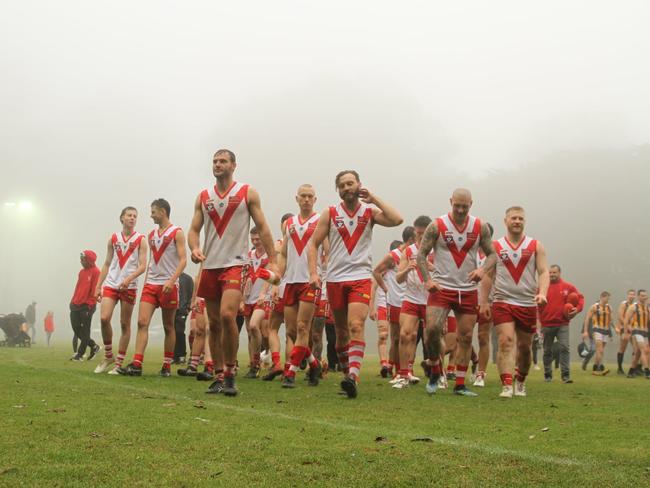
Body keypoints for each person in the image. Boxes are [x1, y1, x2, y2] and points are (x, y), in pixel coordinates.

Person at [188, 149, 278, 396]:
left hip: (235, 264)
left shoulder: (247, 192)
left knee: (228, 316)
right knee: (213, 325)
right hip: (210, 266)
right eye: (214, 161)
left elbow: (263, 227)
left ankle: (230, 373)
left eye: (223, 161)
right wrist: (194, 248)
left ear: (234, 165)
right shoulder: (203, 197)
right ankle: (218, 375)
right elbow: (194, 230)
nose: (217, 164)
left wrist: (273, 260)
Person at [308, 170, 403, 398]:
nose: (347, 188)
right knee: (341, 333)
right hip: (335, 279)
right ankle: (346, 374)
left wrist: (375, 198)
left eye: (351, 183)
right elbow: (313, 244)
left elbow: (397, 219)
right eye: (342, 185)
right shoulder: (330, 213)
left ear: (359, 185)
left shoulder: (369, 212)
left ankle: (353, 377)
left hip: (360, 277)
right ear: (338, 190)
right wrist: (314, 273)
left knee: (355, 326)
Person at [417, 188, 497, 397]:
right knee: (432, 330)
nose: (460, 210)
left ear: (471, 204)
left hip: (468, 289)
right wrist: (427, 280)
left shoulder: (480, 227)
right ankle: (435, 368)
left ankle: (460, 384)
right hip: (442, 287)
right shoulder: (437, 225)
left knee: (466, 336)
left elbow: (492, 255)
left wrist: (482, 270)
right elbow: (421, 254)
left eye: (465, 206)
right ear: (450, 201)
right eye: (457, 205)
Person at [481, 206, 549, 398]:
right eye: (513, 218)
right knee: (505, 340)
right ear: (506, 221)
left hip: (527, 303)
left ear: (524, 221)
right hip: (502, 301)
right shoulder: (495, 246)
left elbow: (544, 272)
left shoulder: (536, 245)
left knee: (525, 348)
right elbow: (488, 275)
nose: (517, 221)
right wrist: (484, 302)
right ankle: (507, 385)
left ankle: (521, 380)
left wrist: (542, 293)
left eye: (520, 218)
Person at [123, 199, 187, 376]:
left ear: (163, 212)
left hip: (169, 285)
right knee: (142, 322)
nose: (151, 216)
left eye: (153, 212)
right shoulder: (151, 235)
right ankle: (137, 363)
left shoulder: (177, 232)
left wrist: (172, 280)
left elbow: (183, 260)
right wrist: (145, 283)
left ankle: (166, 366)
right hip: (151, 284)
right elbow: (151, 262)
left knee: (168, 326)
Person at [93, 206, 147, 374]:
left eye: (135, 216)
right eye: (129, 215)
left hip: (129, 286)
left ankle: (119, 364)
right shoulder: (113, 238)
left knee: (125, 324)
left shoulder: (141, 240)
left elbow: (143, 265)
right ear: (122, 218)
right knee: (104, 318)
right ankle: (108, 356)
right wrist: (98, 286)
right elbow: (107, 263)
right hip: (111, 284)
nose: (132, 218)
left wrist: (129, 279)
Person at [280, 184, 324, 388]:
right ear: (296, 199)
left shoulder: (321, 220)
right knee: (291, 331)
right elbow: (284, 252)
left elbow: (328, 251)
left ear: (315, 200)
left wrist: (323, 275)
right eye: (303, 196)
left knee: (302, 326)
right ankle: (314, 364)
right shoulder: (288, 223)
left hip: (310, 281)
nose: (306, 199)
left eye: (310, 196)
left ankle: (291, 372)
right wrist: (278, 276)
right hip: (290, 281)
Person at [393, 216, 433, 389]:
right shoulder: (408, 251)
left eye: (423, 234)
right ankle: (403, 375)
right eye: (418, 233)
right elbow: (398, 279)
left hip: (431, 299)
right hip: (411, 298)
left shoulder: (437, 251)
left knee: (433, 338)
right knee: (405, 334)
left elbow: (447, 275)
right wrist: (407, 269)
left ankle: (440, 373)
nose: (420, 237)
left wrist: (433, 269)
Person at [372, 229, 413, 378]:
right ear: (409, 240)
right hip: (394, 302)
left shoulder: (414, 254)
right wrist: (385, 289)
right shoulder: (393, 256)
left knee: (410, 336)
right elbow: (376, 272)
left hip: (411, 301)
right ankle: (395, 370)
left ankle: (407, 370)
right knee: (395, 337)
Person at [538, 265, 584, 383]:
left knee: (564, 348)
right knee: (547, 350)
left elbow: (580, 298)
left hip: (562, 323)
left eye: (554, 272)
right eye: (550, 272)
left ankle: (565, 375)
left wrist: (577, 309)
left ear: (560, 273)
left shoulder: (568, 287)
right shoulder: (543, 287)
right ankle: (548, 375)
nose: (552, 274)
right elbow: (535, 302)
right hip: (546, 324)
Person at [242, 227, 272, 378]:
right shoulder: (249, 255)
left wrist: (264, 293)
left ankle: (266, 354)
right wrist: (242, 298)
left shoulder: (270, 255)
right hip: (248, 298)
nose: (255, 242)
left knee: (256, 327)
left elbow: (271, 276)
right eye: (252, 239)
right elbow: (244, 276)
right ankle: (254, 365)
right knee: (250, 332)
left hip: (263, 298)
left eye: (257, 239)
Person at [473, 222, 494, 387]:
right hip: (468, 299)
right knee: (462, 337)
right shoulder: (469, 251)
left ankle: (480, 373)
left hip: (487, 302)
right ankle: (471, 361)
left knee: (483, 337)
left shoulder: (494, 255)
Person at [69, 250, 101, 361]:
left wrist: (91, 303)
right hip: (76, 304)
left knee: (86, 330)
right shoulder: (81, 272)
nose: (81, 261)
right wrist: (72, 301)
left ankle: (80, 354)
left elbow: (95, 289)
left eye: (83, 259)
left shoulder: (96, 272)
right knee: (76, 328)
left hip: (88, 305)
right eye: (81, 259)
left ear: (89, 260)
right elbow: (78, 287)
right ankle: (93, 346)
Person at [582, 292, 613, 376]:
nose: (608, 300)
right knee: (600, 350)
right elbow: (587, 319)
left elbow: (610, 321)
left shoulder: (609, 307)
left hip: (605, 331)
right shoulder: (594, 307)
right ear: (602, 297)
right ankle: (600, 367)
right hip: (597, 330)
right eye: (607, 298)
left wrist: (613, 331)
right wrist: (585, 331)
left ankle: (595, 368)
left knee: (600, 351)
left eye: (609, 298)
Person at [624, 289, 649, 378]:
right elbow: (626, 319)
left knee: (638, 353)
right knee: (644, 350)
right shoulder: (633, 307)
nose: (644, 297)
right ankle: (647, 371)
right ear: (638, 296)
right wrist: (626, 331)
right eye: (642, 295)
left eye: (645, 296)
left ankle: (631, 371)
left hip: (645, 332)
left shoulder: (647, 308)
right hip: (636, 331)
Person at [173, 272, 194, 363]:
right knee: (171, 331)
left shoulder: (188, 278)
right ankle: (173, 356)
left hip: (182, 309)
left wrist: (188, 307)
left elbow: (191, 293)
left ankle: (181, 355)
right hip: (171, 308)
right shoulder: (171, 276)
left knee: (179, 331)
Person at [616, 289, 636, 375]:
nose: (631, 296)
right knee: (622, 348)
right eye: (630, 294)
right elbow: (620, 316)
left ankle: (635, 368)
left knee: (636, 348)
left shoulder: (635, 305)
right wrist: (626, 325)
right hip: (624, 328)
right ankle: (619, 368)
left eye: (633, 294)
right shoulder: (624, 304)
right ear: (627, 295)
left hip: (633, 328)